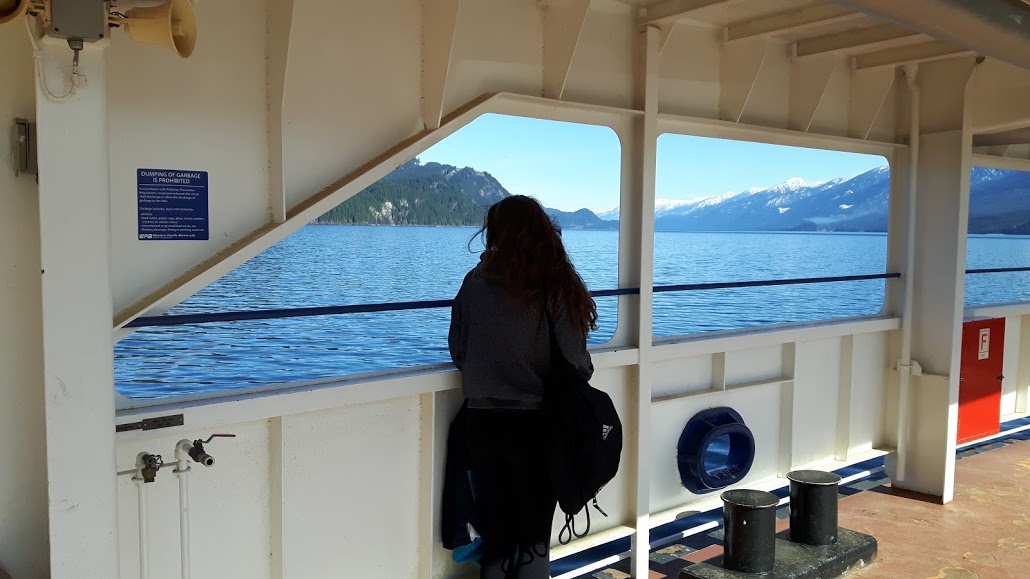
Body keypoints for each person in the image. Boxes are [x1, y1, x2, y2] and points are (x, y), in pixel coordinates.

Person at [448, 195, 596, 579]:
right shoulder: (555, 286)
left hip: (480, 425)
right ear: (544, 232)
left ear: (496, 234)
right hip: (536, 429)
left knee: (495, 537)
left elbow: (459, 351)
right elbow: (578, 364)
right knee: (532, 541)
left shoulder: (474, 282)